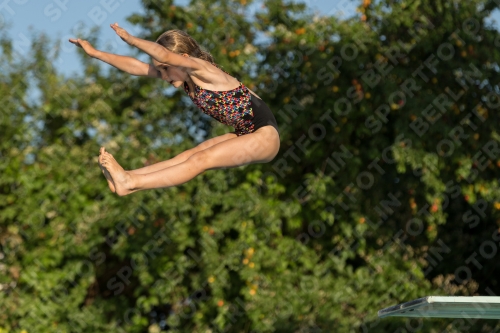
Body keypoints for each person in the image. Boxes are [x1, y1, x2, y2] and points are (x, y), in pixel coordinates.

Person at [69, 23, 280, 196]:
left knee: (200, 160)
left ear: (184, 59)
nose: (165, 75)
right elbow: (137, 67)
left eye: (166, 69)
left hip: (265, 136)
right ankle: (126, 177)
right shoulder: (183, 77)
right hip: (244, 133)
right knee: (188, 156)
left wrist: (132, 40)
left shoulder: (203, 70)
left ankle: (130, 182)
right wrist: (95, 53)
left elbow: (166, 56)